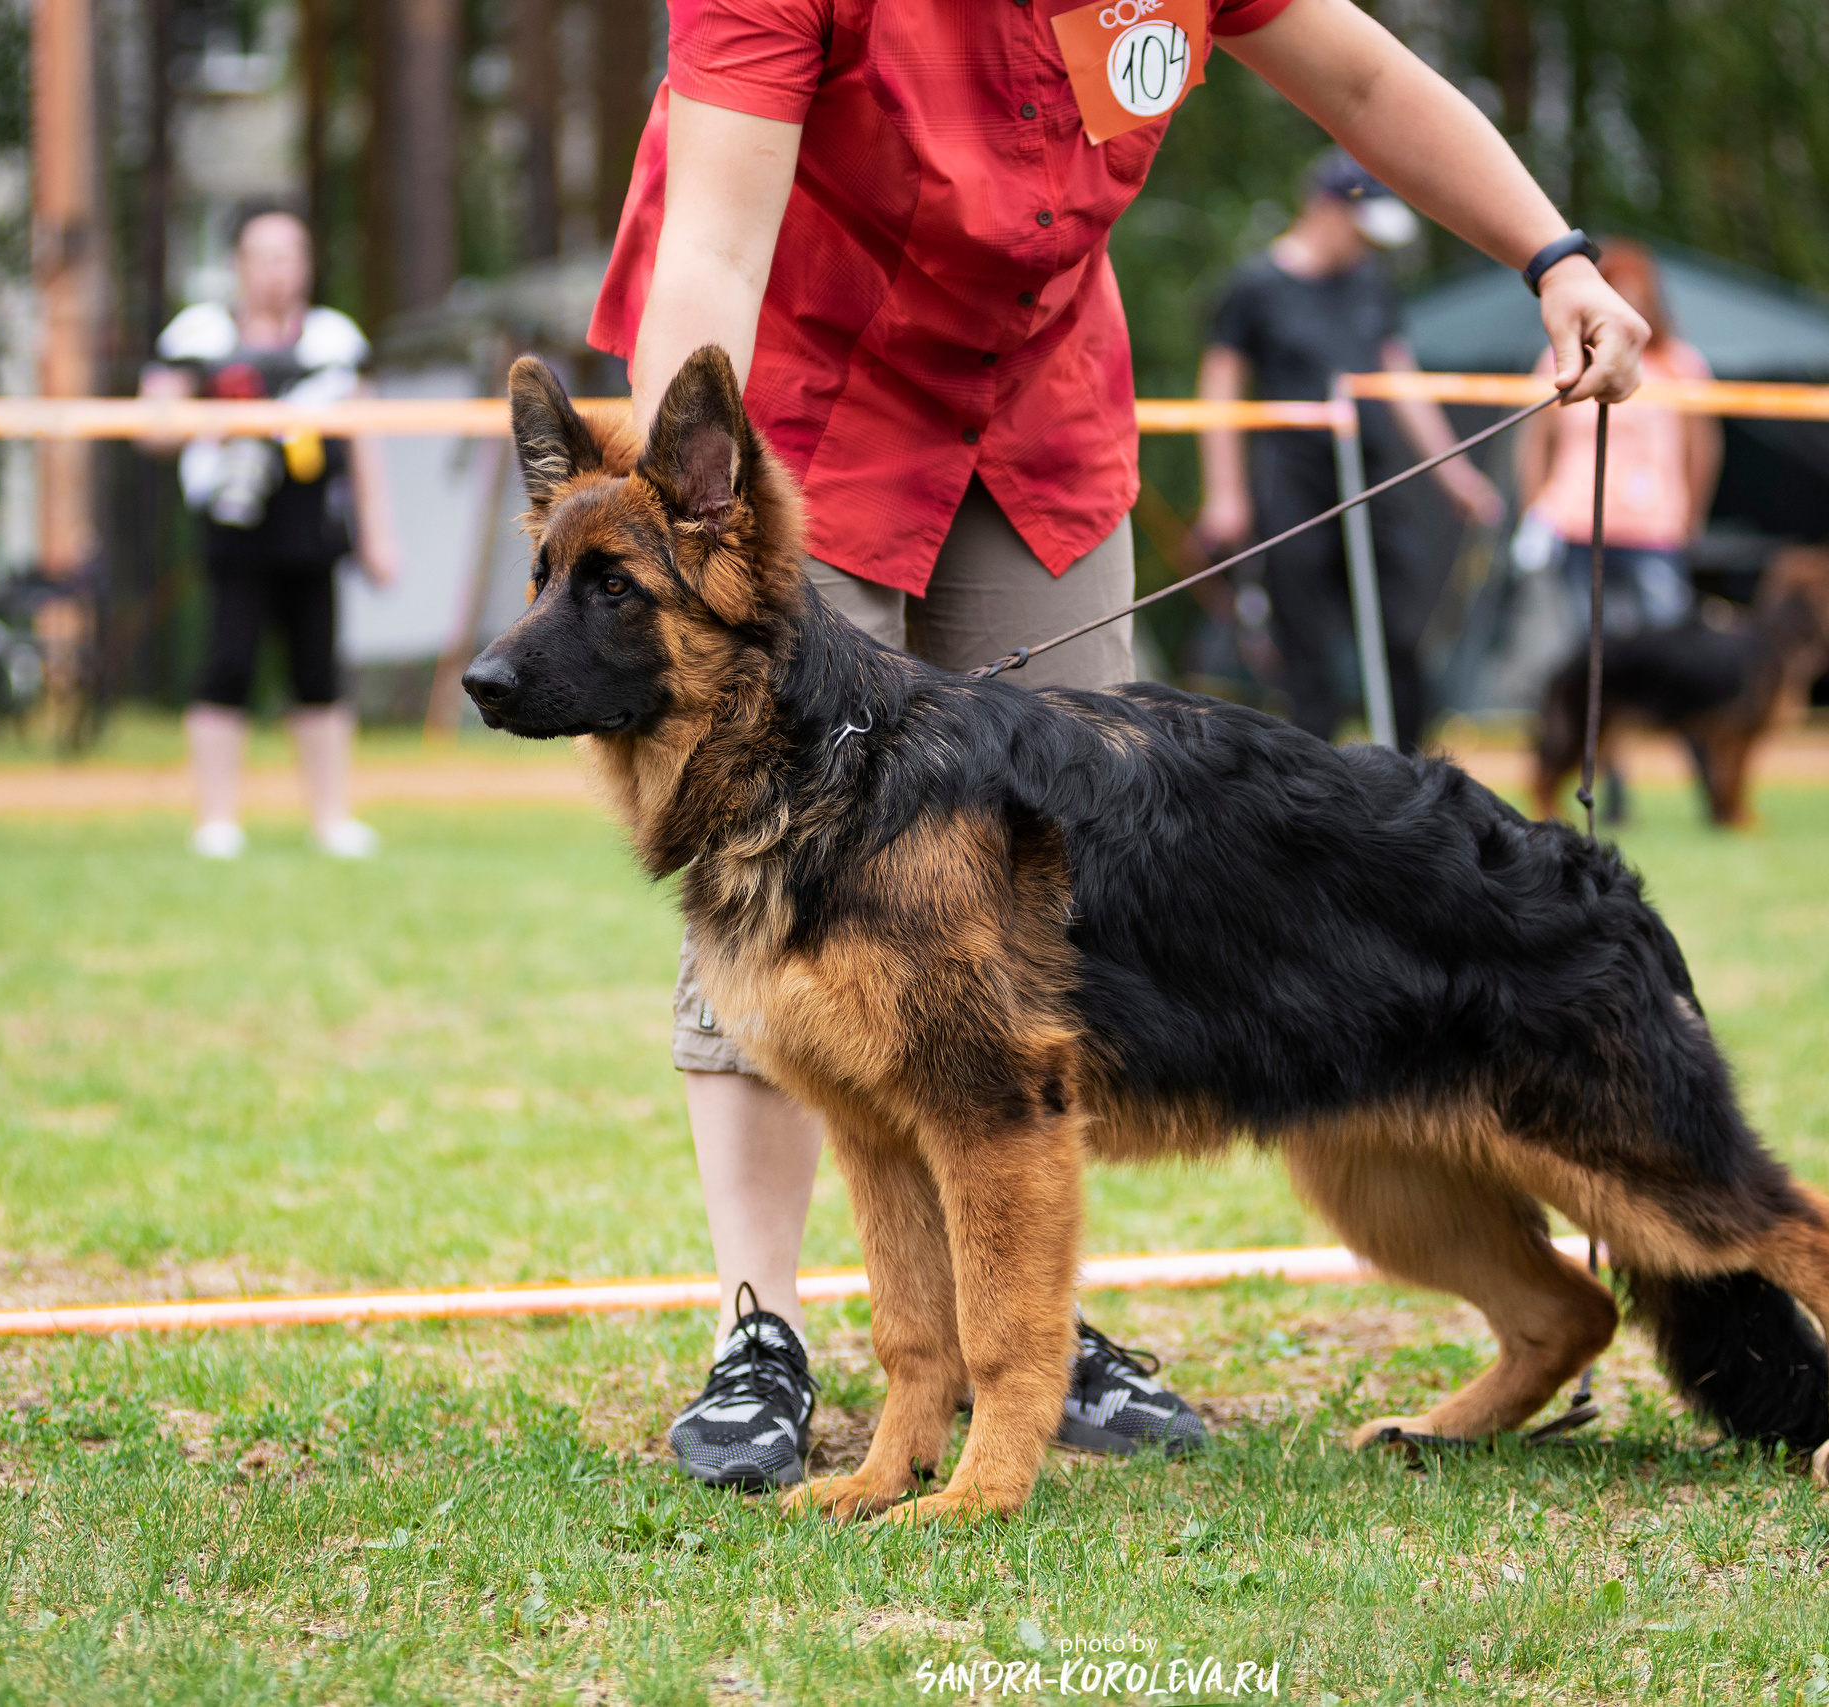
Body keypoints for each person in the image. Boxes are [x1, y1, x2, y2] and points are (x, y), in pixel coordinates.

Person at [586, 0, 1650, 1491]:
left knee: (1066, 903)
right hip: (793, 409)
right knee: (791, 878)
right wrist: (688, 515)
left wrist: (1557, 256)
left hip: (1031, 410)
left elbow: (1356, 73)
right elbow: (712, 243)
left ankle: (1030, 1326)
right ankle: (762, 1335)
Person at [1194, 149, 1505, 751]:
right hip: (1291, 476)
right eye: (1361, 227)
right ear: (1324, 208)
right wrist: (1225, 494)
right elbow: (1220, 387)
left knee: (1401, 630)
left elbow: (1400, 380)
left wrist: (1455, 475)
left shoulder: (1370, 284)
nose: (1369, 243)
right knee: (1304, 643)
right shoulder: (1256, 287)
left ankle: (1417, 775)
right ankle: (1318, 791)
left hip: (1370, 475)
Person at [141, 203, 399, 860]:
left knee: (319, 669)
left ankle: (332, 818)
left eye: (294, 254)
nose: (281, 270)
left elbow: (365, 441)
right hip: (234, 523)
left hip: (311, 524)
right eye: (267, 255)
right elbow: (150, 424)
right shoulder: (198, 335)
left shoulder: (335, 339)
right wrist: (219, 421)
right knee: (226, 664)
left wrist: (378, 531)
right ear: (239, 265)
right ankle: (218, 820)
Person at [1515, 240, 1719, 639]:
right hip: (1576, 524)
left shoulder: (1682, 363)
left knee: (1665, 643)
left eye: (1637, 293)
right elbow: (1535, 442)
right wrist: (1535, 509)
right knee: (1584, 643)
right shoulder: (1558, 358)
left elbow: (1703, 447)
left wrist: (1693, 516)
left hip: (1655, 527)